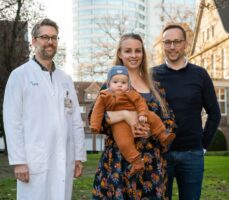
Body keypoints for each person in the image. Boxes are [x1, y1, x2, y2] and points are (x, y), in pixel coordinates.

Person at [3, 18, 86, 200]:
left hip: (64, 158)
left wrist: (78, 156)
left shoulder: (65, 79)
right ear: (34, 41)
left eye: (54, 38)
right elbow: (12, 120)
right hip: (34, 161)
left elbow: (75, 121)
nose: (50, 42)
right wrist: (19, 161)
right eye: (44, 37)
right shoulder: (20, 76)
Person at [91, 33, 176, 199]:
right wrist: (125, 115)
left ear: (143, 54)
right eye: (128, 51)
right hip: (118, 162)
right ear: (120, 54)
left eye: (138, 51)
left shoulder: (155, 88)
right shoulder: (111, 86)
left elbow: (170, 121)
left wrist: (150, 132)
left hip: (151, 166)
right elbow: (94, 119)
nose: (133, 55)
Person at [152, 24, 221, 200]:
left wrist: (204, 144)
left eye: (176, 42)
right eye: (167, 42)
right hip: (160, 154)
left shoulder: (200, 74)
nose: (172, 47)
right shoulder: (152, 75)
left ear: (185, 44)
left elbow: (214, 112)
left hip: (192, 154)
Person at [90, 65, 175, 176]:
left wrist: (142, 114)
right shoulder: (104, 96)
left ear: (128, 84)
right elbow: (97, 112)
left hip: (138, 116)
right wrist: (95, 125)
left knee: (153, 117)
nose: (119, 85)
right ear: (108, 83)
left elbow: (140, 103)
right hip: (119, 124)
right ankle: (136, 162)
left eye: (123, 82)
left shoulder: (131, 93)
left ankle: (162, 134)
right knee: (124, 142)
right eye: (115, 82)